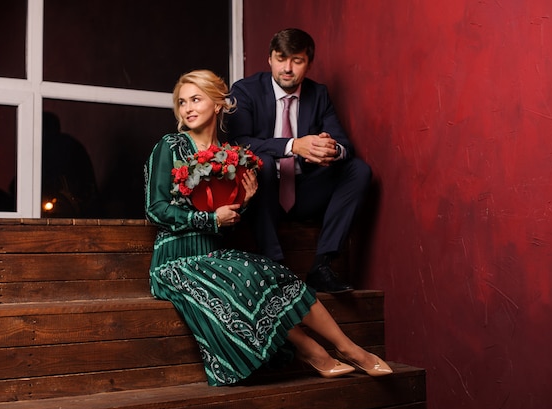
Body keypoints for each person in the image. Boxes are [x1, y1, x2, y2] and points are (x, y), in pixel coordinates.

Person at [144, 69, 391, 387]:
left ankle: (349, 348)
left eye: (196, 99)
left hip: (212, 253)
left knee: (275, 273)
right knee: (247, 274)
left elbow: (225, 223)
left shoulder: (231, 155)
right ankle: (314, 351)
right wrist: (209, 219)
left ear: (218, 104)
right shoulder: (170, 146)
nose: (188, 107)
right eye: (182, 102)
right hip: (175, 260)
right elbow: (155, 209)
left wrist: (244, 201)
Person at [226, 28, 372, 294]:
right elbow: (238, 143)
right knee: (264, 163)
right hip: (261, 195)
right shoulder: (246, 90)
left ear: (309, 63)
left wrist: (329, 149)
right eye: (281, 58)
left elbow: (345, 146)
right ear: (269, 59)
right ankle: (275, 265)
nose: (288, 68)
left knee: (358, 170)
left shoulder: (319, 94)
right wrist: (295, 145)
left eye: (297, 60)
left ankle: (322, 265)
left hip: (303, 191)